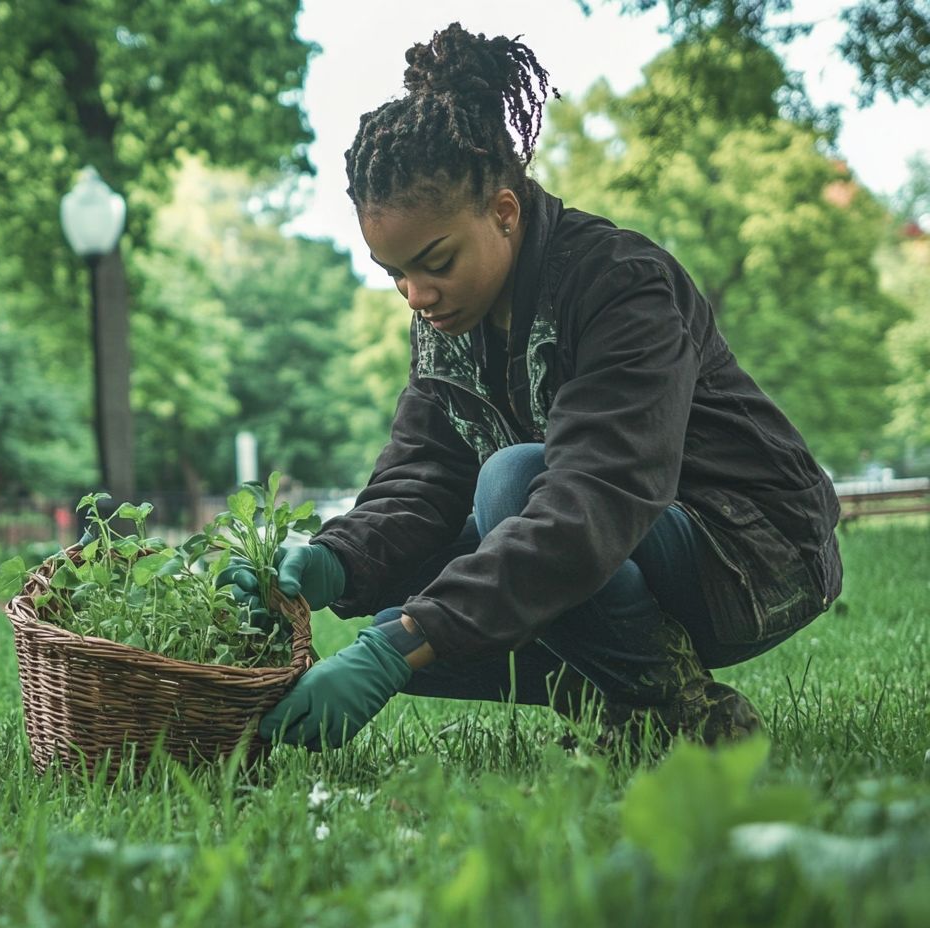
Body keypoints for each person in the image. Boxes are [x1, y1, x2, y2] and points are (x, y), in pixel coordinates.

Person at [221, 22, 842, 752]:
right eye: (395, 275)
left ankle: (679, 712)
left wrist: (409, 639)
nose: (416, 295)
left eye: (434, 262)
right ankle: (615, 702)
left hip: (750, 554)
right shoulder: (449, 319)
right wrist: (334, 560)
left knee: (511, 484)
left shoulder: (619, 285)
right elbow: (420, 480)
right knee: (397, 589)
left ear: (504, 213)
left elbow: (589, 505)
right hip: (611, 537)